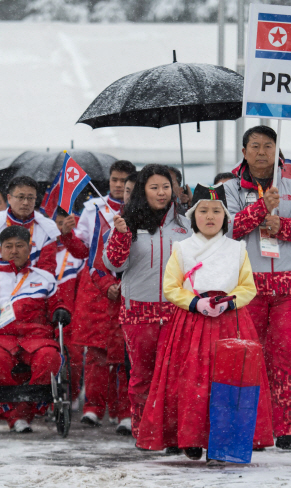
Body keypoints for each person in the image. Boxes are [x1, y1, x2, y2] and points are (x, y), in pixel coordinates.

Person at [137, 183, 274, 463]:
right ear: (192, 215)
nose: (210, 216)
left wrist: (230, 300)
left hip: (231, 321)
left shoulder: (237, 249)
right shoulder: (182, 248)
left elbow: (248, 287)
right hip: (191, 322)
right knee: (191, 381)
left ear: (225, 216)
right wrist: (195, 302)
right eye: (203, 211)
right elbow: (171, 287)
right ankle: (191, 437)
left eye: (216, 211)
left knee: (228, 380)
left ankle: (226, 438)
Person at [225, 125, 291, 450]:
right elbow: (227, 229)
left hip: (287, 289)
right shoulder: (230, 190)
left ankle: (288, 428)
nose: (262, 151)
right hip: (247, 287)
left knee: (286, 357)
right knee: (248, 358)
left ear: (276, 150)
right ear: (244, 151)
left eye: (268, 145)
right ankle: (254, 429)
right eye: (255, 145)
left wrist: (284, 226)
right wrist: (261, 209)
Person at [104, 164, 192, 441]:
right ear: (143, 190)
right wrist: (120, 235)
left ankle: (175, 433)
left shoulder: (185, 223)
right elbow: (114, 263)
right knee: (143, 375)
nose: (162, 192)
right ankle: (146, 433)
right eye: (154, 187)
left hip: (177, 309)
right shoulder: (127, 221)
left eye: (166, 186)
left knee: (176, 376)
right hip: (139, 310)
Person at [0, 226, 72, 433]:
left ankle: (29, 408)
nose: (14, 251)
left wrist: (61, 311)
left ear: (29, 249)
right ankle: (10, 410)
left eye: (20, 246)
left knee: (50, 356)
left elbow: (59, 302)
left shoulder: (44, 277)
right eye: (9, 246)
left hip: (37, 337)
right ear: (0, 250)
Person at [57, 160, 136, 432]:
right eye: (114, 179)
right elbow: (81, 252)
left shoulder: (139, 210)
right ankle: (93, 407)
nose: (118, 185)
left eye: (124, 181)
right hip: (95, 288)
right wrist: (67, 236)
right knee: (96, 354)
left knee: (126, 354)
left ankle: (124, 410)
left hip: (130, 287)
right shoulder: (93, 208)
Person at [0, 176, 59, 275]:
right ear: (9, 198)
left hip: (34, 288)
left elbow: (47, 271)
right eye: (20, 197)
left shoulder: (47, 228)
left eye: (30, 198)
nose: (25, 202)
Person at [52, 209, 85, 407]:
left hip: (71, 315)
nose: (61, 226)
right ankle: (48, 398)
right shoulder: (43, 251)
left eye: (65, 223)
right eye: (57, 223)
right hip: (47, 312)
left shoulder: (77, 254)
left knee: (73, 358)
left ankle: (72, 395)